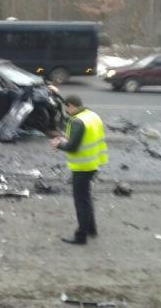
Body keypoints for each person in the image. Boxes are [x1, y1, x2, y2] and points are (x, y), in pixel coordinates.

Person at [50, 94, 108, 245]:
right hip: (94, 162)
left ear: (71, 106)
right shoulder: (92, 115)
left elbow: (72, 147)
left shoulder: (78, 121)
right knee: (86, 197)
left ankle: (81, 236)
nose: (66, 112)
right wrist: (65, 140)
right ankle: (91, 229)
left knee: (81, 201)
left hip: (83, 166)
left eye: (66, 108)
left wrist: (58, 144)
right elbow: (83, 139)